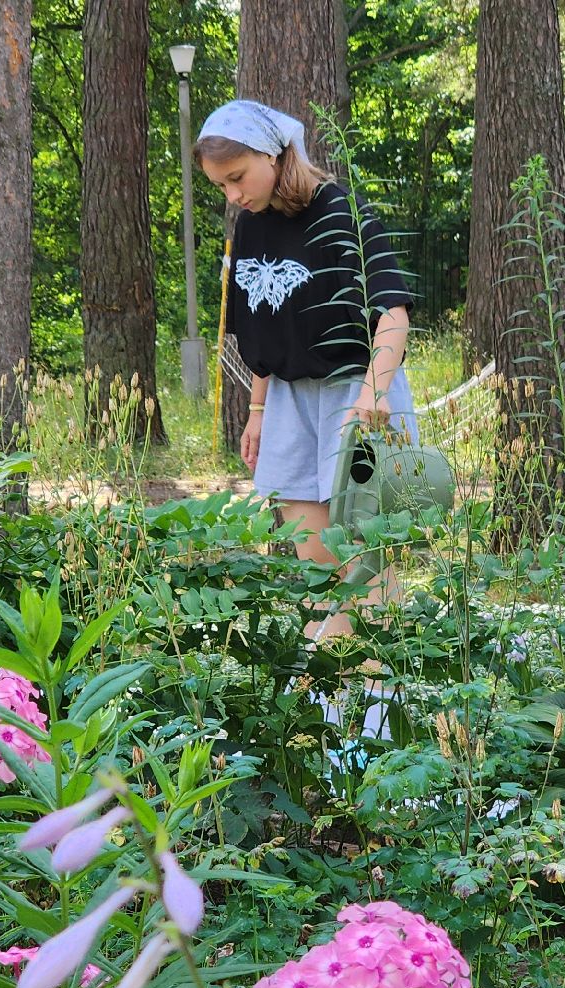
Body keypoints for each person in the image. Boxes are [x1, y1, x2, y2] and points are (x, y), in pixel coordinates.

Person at [194, 99, 417, 649]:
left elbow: (393, 313)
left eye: (238, 178)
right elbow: (264, 330)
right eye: (221, 186)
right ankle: (333, 699)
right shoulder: (248, 226)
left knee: (364, 556)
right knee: (314, 556)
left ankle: (375, 703)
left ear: (273, 153)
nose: (233, 195)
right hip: (289, 401)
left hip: (356, 393)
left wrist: (374, 395)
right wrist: (257, 410)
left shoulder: (341, 211)